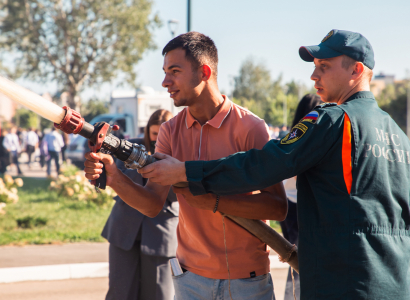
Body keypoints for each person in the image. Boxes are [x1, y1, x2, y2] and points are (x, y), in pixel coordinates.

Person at [141, 30, 410, 299]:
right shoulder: (398, 136)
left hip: (344, 280)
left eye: (324, 67)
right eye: (315, 67)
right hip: (394, 280)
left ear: (357, 70)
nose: (314, 76)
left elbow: (265, 164)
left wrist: (188, 171)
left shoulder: (332, 120)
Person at [84, 32, 287, 300]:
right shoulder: (169, 131)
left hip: (245, 280)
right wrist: (114, 179)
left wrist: (213, 201)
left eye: (174, 71)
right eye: (165, 72)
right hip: (190, 280)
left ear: (204, 72)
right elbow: (153, 204)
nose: (165, 81)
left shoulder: (250, 128)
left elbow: (277, 207)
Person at [103, 109, 178, 300]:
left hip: (161, 232)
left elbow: (179, 195)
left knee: (158, 294)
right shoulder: (130, 148)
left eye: (163, 133)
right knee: (120, 293)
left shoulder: (179, 157)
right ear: (147, 132)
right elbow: (114, 178)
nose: (158, 138)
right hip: (124, 228)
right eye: (154, 134)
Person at [279, 94, 322, 300]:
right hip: (302, 206)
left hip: (286, 206)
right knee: (304, 262)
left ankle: (292, 296)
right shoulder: (312, 140)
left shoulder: (291, 138)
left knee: (293, 260)